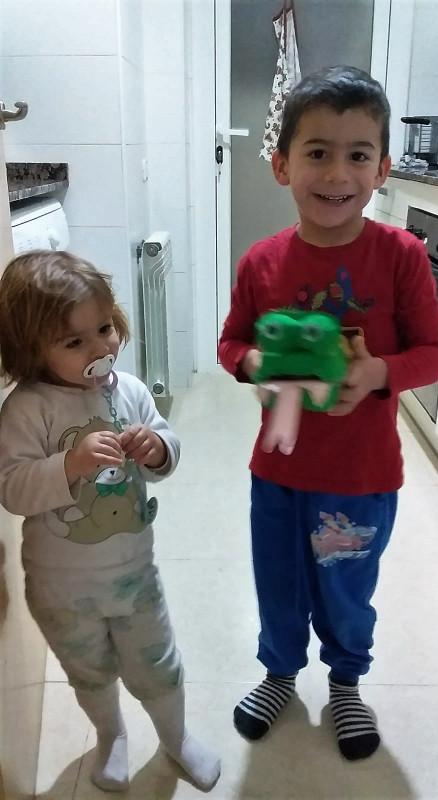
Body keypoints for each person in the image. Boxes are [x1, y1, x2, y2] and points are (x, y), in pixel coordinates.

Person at [218, 65, 438, 761]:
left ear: (382, 169)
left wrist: (379, 373)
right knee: (279, 583)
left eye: (357, 155)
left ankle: (346, 682)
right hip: (278, 474)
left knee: (347, 588)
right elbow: (231, 343)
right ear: (282, 164)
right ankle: (280, 673)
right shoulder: (261, 262)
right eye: (317, 151)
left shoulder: (401, 256)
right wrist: (257, 365)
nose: (337, 173)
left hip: (360, 478)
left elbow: (434, 353)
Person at [0, 251, 220, 792]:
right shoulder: (27, 410)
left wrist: (157, 448)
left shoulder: (130, 391)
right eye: (74, 342)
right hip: (60, 589)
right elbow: (13, 489)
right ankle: (111, 733)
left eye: (104, 329)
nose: (100, 349)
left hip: (133, 576)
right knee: (89, 672)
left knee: (157, 663)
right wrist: (68, 465)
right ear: (31, 350)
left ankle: (176, 737)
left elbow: (167, 449)